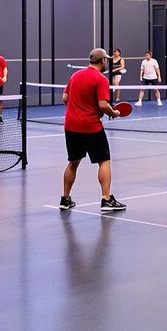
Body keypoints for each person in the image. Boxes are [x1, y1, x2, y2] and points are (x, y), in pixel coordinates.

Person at [59, 48, 126, 214]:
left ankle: (65, 199)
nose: (107, 62)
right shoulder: (100, 79)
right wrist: (114, 113)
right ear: (102, 61)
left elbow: (65, 98)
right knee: (104, 160)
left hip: (71, 126)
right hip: (91, 127)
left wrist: (76, 111)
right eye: (106, 60)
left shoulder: (75, 76)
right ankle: (106, 198)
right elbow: (103, 105)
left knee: (73, 162)